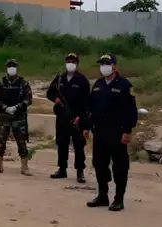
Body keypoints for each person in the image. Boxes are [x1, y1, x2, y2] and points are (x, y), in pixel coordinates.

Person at [84, 54, 138, 211]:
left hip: (117, 133)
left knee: (120, 167)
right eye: (102, 64)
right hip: (99, 133)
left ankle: (119, 199)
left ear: (115, 66)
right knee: (99, 164)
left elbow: (130, 111)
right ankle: (103, 196)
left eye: (107, 63)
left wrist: (127, 131)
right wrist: (87, 127)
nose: (104, 67)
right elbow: (90, 108)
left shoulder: (124, 85)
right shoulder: (98, 84)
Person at [45, 53, 90, 183]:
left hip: (77, 118)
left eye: (73, 61)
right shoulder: (60, 78)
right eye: (69, 61)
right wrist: (55, 99)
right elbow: (50, 92)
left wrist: (81, 118)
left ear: (77, 64)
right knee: (62, 144)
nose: (71, 63)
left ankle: (80, 172)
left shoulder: (82, 80)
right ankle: (62, 169)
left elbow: (87, 102)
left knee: (79, 146)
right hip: (62, 117)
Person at [0, 58, 34, 176]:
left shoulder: (23, 83)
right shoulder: (0, 83)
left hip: (18, 116)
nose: (11, 68)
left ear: (17, 68)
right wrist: (5, 108)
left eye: (13, 66)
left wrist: (18, 106)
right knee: (0, 140)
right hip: (4, 116)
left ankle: (25, 167)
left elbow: (28, 99)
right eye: (9, 66)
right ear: (6, 68)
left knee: (21, 141)